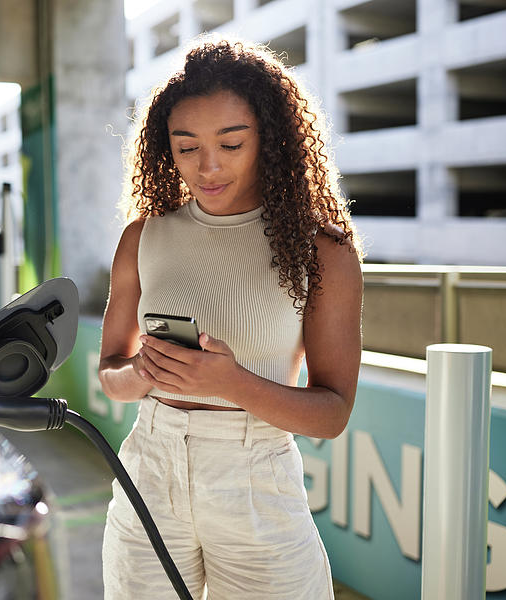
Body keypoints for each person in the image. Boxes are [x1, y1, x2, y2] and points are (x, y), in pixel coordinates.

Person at [98, 36, 364, 599]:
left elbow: (332, 413)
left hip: (256, 483)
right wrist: (144, 371)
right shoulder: (142, 238)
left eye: (232, 143)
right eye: (186, 146)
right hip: (150, 466)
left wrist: (229, 381)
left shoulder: (323, 251)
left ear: (268, 140)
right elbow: (110, 374)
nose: (208, 166)